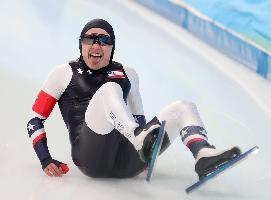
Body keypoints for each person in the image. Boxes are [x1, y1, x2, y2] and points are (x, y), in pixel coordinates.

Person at [26, 19, 241, 178]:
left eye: (104, 40)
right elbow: (34, 119)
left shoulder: (128, 73)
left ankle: (202, 153)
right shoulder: (63, 72)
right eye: (90, 39)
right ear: (81, 44)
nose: (96, 45)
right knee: (109, 89)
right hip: (90, 159)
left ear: (112, 47)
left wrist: (147, 147)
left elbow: (140, 118)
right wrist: (45, 158)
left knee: (184, 106)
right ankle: (139, 141)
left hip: (129, 162)